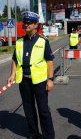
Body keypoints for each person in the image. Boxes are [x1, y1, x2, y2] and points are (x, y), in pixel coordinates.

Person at [7, 11, 55, 139]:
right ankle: (33, 134)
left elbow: (50, 61)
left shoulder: (43, 41)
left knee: (43, 110)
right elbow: (15, 60)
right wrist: (12, 74)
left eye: (29, 23)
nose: (26, 24)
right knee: (28, 110)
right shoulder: (19, 42)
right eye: (25, 22)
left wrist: (50, 79)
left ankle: (48, 136)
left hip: (40, 82)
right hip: (24, 81)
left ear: (35, 24)